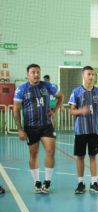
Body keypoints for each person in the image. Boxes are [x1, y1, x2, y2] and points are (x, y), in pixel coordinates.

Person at [13, 64, 64, 194]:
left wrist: (54, 110)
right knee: (33, 154)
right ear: (28, 74)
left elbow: (61, 96)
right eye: (33, 72)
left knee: (50, 151)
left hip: (46, 125)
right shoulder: (21, 89)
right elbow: (16, 110)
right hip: (31, 127)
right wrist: (20, 129)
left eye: (38, 72)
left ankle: (47, 182)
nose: (36, 74)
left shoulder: (47, 86)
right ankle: (37, 181)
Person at [68, 66, 98, 194]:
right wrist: (81, 111)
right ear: (83, 75)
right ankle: (80, 183)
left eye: (92, 74)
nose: (91, 77)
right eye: (88, 74)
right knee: (80, 157)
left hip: (94, 130)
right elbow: (72, 110)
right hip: (80, 131)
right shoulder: (76, 91)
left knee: (93, 156)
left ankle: (94, 183)